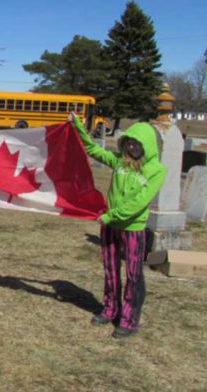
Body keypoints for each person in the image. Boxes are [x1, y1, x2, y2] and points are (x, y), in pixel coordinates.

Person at [71, 112, 165, 339]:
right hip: (110, 226)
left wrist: (111, 215)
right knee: (110, 270)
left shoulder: (157, 171)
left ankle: (129, 319)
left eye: (137, 144)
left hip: (132, 229)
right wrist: (78, 127)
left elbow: (139, 202)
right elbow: (94, 150)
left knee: (133, 275)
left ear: (148, 146)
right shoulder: (120, 162)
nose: (133, 147)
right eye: (130, 142)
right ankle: (110, 309)